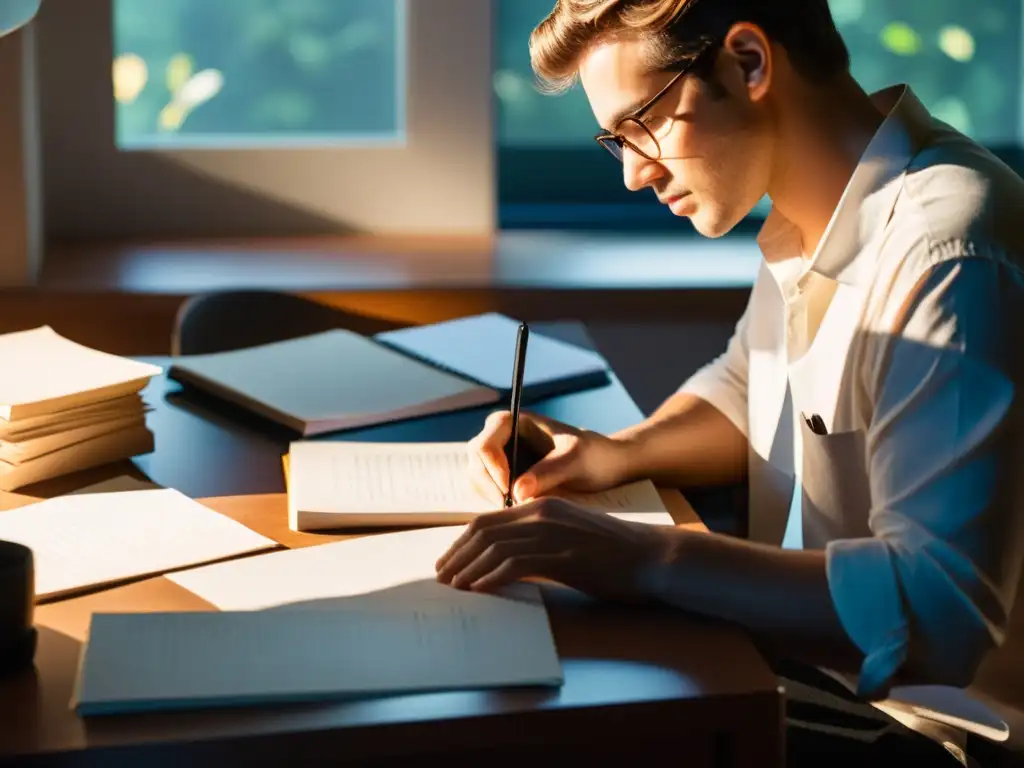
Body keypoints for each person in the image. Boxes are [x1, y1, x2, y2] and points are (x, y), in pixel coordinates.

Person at [434, 0, 1024, 765]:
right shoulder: (814, 211)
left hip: (940, 735)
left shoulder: (949, 255)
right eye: (614, 138)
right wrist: (613, 453)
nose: (632, 172)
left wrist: (645, 560)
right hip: (810, 673)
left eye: (642, 123)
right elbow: (753, 388)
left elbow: (939, 612)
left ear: (748, 62)